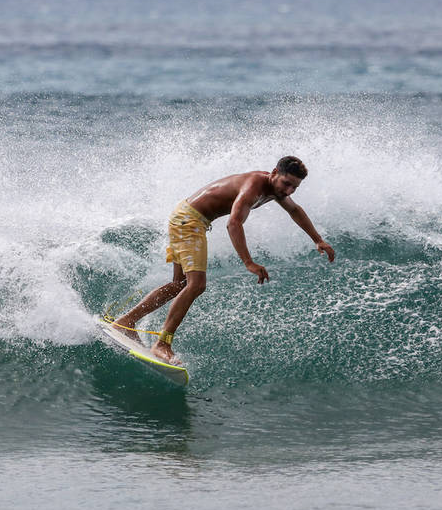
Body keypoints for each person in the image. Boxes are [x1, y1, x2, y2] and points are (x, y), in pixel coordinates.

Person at [113, 155, 335, 364]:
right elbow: (234, 223)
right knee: (196, 285)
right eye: (286, 183)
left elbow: (295, 210)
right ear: (275, 172)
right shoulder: (253, 186)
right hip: (189, 221)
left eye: (294, 187)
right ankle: (162, 343)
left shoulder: (277, 191)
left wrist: (318, 240)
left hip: (185, 217)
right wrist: (249, 262)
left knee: (179, 285)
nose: (289, 190)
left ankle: (126, 322)